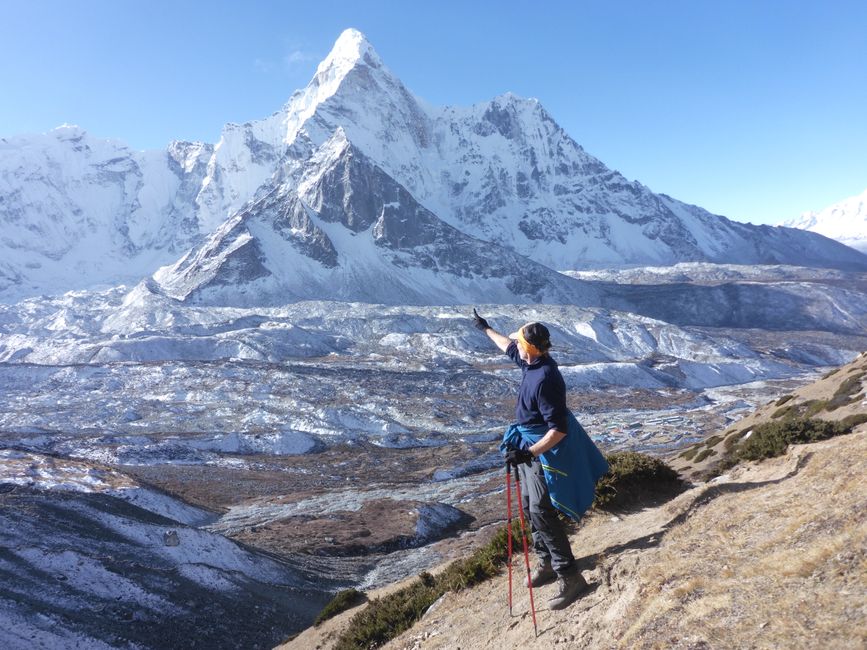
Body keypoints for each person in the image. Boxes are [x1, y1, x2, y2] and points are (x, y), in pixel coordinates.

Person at [472, 308, 609, 610]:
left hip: (542, 447)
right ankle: (545, 562)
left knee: (541, 509)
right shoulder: (530, 361)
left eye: (519, 340)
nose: (514, 343)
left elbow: (558, 430)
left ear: (530, 347)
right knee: (527, 506)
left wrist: (528, 452)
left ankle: (570, 576)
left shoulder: (546, 378)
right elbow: (505, 345)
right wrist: (485, 328)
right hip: (527, 443)